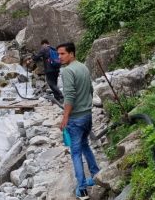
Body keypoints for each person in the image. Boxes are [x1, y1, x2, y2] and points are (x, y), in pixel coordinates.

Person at [57, 42, 99, 200]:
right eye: (58, 54)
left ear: (71, 54)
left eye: (62, 54)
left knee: (75, 153)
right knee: (85, 144)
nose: (59, 57)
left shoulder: (67, 71)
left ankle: (82, 189)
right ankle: (96, 174)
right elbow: (90, 89)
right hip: (87, 115)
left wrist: (65, 117)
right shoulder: (83, 67)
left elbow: (69, 96)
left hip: (76, 118)